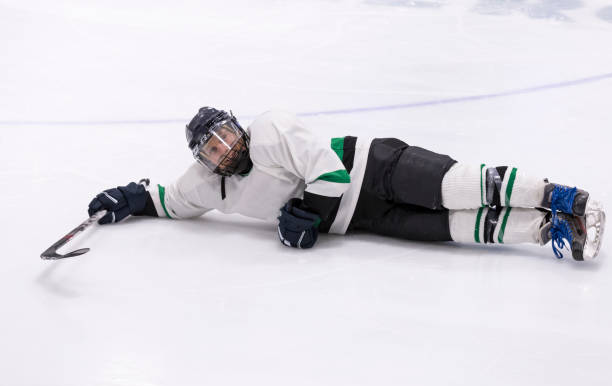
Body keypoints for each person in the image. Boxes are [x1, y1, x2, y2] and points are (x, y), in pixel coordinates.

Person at [88, 107, 605, 261]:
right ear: (204, 158)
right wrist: (129, 200)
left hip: (372, 166)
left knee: (455, 188)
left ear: (235, 125)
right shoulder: (205, 183)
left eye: (224, 136)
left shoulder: (271, 129)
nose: (224, 149)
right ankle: (548, 230)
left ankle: (559, 196)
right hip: (359, 220)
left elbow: (330, 174)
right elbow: (171, 201)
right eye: (213, 149)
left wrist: (304, 217)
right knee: (454, 230)